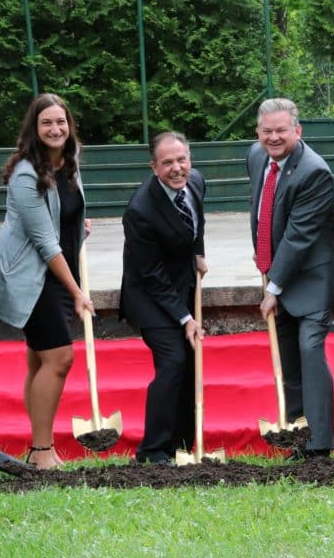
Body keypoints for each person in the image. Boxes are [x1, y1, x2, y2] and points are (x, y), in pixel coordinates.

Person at [0, 93, 93, 470]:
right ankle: (42, 450)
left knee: (38, 360)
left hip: (58, 271)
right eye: (46, 123)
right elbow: (44, 242)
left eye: (61, 122)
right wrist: (78, 292)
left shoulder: (68, 163)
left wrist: (76, 225)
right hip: (33, 279)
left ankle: (37, 449)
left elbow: (62, 216)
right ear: (34, 129)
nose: (55, 129)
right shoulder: (25, 174)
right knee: (59, 358)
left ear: (70, 126)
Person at [246, 97, 334, 460]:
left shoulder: (314, 172)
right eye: (267, 131)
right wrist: (263, 262)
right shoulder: (256, 157)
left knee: (309, 351)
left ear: (298, 131)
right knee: (287, 358)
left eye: (281, 131)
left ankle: (319, 446)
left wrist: (273, 287)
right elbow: (263, 211)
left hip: (312, 279)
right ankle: (296, 436)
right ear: (258, 132)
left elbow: (299, 236)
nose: (274, 138)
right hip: (277, 272)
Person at [119, 132, 207, 464]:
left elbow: (197, 223)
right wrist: (185, 319)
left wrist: (198, 253)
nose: (176, 168)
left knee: (189, 365)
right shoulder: (140, 210)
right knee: (173, 361)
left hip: (182, 286)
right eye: (167, 162)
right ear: (154, 167)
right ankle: (153, 451)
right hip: (149, 297)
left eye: (181, 160)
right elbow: (151, 275)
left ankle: (182, 446)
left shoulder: (195, 183)